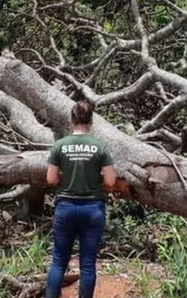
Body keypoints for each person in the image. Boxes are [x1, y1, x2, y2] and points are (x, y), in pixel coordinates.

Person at [44, 100, 116, 298]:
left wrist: (65, 177)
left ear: (72, 120)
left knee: (59, 261)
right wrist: (95, 179)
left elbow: (50, 178)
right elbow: (110, 181)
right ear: (91, 121)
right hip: (93, 209)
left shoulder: (60, 146)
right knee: (87, 264)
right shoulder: (100, 147)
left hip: (65, 207)